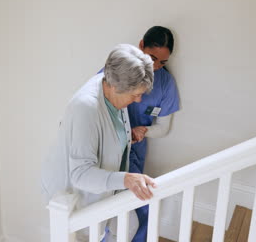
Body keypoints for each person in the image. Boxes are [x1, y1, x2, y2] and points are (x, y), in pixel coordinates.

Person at [41, 44, 157, 241]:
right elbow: (80, 174)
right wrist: (127, 179)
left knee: (127, 227)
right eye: (135, 94)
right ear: (114, 86)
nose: (138, 101)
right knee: (86, 236)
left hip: (106, 187)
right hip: (72, 197)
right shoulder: (86, 108)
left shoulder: (113, 91)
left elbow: (110, 132)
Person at [129, 26, 180, 242]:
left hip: (135, 152)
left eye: (162, 62)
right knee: (110, 213)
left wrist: (144, 130)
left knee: (144, 212)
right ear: (141, 45)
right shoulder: (117, 71)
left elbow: (163, 127)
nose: (156, 66)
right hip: (110, 151)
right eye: (151, 58)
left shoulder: (166, 83)